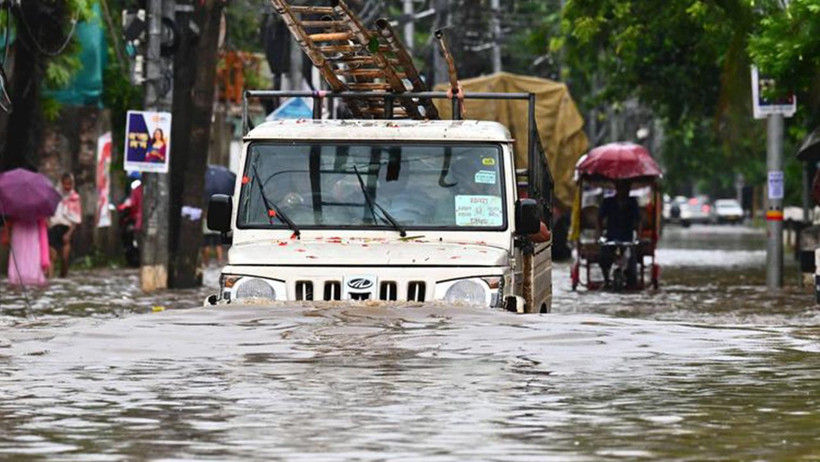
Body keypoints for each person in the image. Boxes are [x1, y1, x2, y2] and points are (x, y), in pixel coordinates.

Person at [597, 181, 641, 287]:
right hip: (611, 237)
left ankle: (630, 278)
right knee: (604, 257)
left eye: (626, 188)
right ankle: (607, 280)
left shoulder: (632, 202)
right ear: (616, 188)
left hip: (627, 238)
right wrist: (598, 234)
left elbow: (638, 220)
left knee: (632, 263)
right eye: (621, 187)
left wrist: (638, 237)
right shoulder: (608, 201)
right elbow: (600, 218)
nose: (623, 191)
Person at [48, 172, 82, 278]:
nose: (67, 187)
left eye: (70, 184)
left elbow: (76, 219)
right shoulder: (54, 196)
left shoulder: (75, 198)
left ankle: (63, 275)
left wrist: (68, 234)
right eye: (65, 184)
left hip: (67, 228)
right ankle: (50, 277)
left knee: (65, 257)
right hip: (54, 227)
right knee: (51, 255)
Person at [4, 217, 50, 287]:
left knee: (19, 253)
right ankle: (32, 276)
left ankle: (16, 277)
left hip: (19, 228)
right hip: (31, 229)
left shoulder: (15, 207)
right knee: (32, 253)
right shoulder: (38, 208)